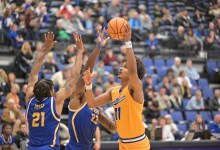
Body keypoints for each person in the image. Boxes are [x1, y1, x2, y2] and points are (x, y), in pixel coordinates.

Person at [83, 24, 150, 149]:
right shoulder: (113, 91)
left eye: (125, 66)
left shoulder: (135, 87)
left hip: (138, 143)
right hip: (123, 143)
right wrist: (88, 85)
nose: (120, 68)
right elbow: (92, 104)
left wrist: (128, 42)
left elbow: (133, 71)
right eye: (121, 65)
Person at [25, 32, 84, 150]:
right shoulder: (55, 101)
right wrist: (79, 52)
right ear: (51, 92)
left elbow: (33, 75)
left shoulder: (29, 100)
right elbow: (75, 76)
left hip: (31, 147)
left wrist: (44, 50)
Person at [65, 26, 117, 150]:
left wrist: (123, 114)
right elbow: (87, 70)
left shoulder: (94, 105)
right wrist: (98, 47)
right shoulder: (77, 99)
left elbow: (112, 127)